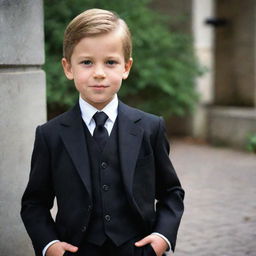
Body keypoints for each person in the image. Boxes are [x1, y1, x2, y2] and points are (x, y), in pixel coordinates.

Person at [21, 8, 184, 256]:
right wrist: (50, 246)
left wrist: (161, 239)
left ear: (126, 67)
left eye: (110, 62)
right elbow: (34, 203)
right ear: (68, 68)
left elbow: (171, 192)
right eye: (87, 62)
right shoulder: (50, 135)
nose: (99, 73)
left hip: (137, 249)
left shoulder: (150, 127)